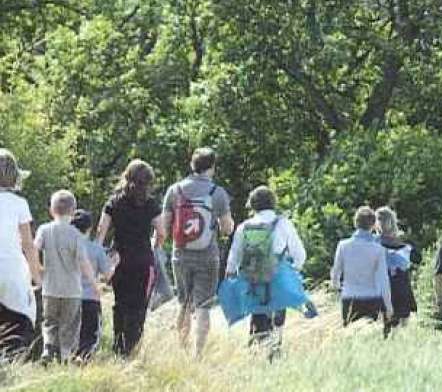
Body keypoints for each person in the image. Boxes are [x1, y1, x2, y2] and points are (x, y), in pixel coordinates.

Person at [163, 147, 233, 357]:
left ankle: (181, 349)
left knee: (183, 302)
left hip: (180, 254)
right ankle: (198, 355)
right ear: (211, 167)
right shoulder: (217, 193)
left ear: (192, 165)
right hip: (207, 255)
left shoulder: (175, 190)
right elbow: (227, 228)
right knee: (203, 305)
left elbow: (165, 227)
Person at [225, 185, 306, 356]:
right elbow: (300, 254)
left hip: (253, 276)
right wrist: (293, 270)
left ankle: (256, 350)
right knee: (278, 313)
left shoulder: (245, 226)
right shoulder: (283, 223)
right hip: (278, 275)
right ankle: (274, 351)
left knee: (258, 313)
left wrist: (231, 273)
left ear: (252, 205)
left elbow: (234, 255)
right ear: (273, 203)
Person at [97, 159, 165, 357]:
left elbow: (102, 230)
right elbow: (161, 232)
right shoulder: (151, 204)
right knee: (139, 306)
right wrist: (154, 246)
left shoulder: (113, 201)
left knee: (120, 303)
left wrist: (99, 255)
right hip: (143, 260)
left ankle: (118, 345)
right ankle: (132, 348)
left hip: (120, 259)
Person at [34, 190, 99, 363]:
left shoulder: (44, 230)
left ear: (51, 210)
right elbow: (83, 262)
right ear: (73, 211)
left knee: (49, 322)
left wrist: (37, 269)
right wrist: (94, 283)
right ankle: (65, 356)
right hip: (71, 290)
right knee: (69, 326)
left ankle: (48, 348)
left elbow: (34, 249)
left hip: (50, 287)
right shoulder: (76, 234)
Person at [0, 149, 41, 361]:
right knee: (17, 324)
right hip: (12, 271)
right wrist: (37, 277)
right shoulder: (19, 204)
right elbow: (28, 244)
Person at [331, 206, 393, 330]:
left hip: (349, 296)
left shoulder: (343, 246)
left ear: (355, 223)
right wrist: (388, 305)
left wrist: (337, 288)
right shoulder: (378, 249)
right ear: (373, 225)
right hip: (371, 298)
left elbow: (336, 272)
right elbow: (383, 280)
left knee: (350, 338)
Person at [71, 209, 115, 360]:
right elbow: (108, 275)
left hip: (69, 297)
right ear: (90, 228)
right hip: (90, 298)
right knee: (90, 338)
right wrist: (115, 263)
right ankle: (83, 362)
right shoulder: (96, 249)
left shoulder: (66, 247)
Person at [375, 206, 420, 336]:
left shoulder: (400, 242)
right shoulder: (402, 242)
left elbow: (417, 258)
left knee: (396, 326)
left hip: (394, 287)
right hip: (392, 287)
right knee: (391, 326)